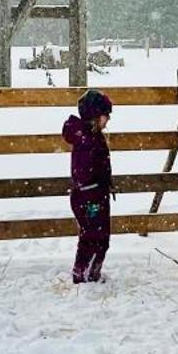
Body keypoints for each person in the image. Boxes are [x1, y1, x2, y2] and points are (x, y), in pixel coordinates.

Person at [62, 88, 113, 284]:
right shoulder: (87, 140)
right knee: (94, 237)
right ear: (95, 116)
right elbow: (85, 172)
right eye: (105, 115)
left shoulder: (91, 136)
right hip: (89, 196)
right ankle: (84, 275)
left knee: (98, 236)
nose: (108, 119)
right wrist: (95, 186)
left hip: (94, 195)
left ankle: (90, 273)